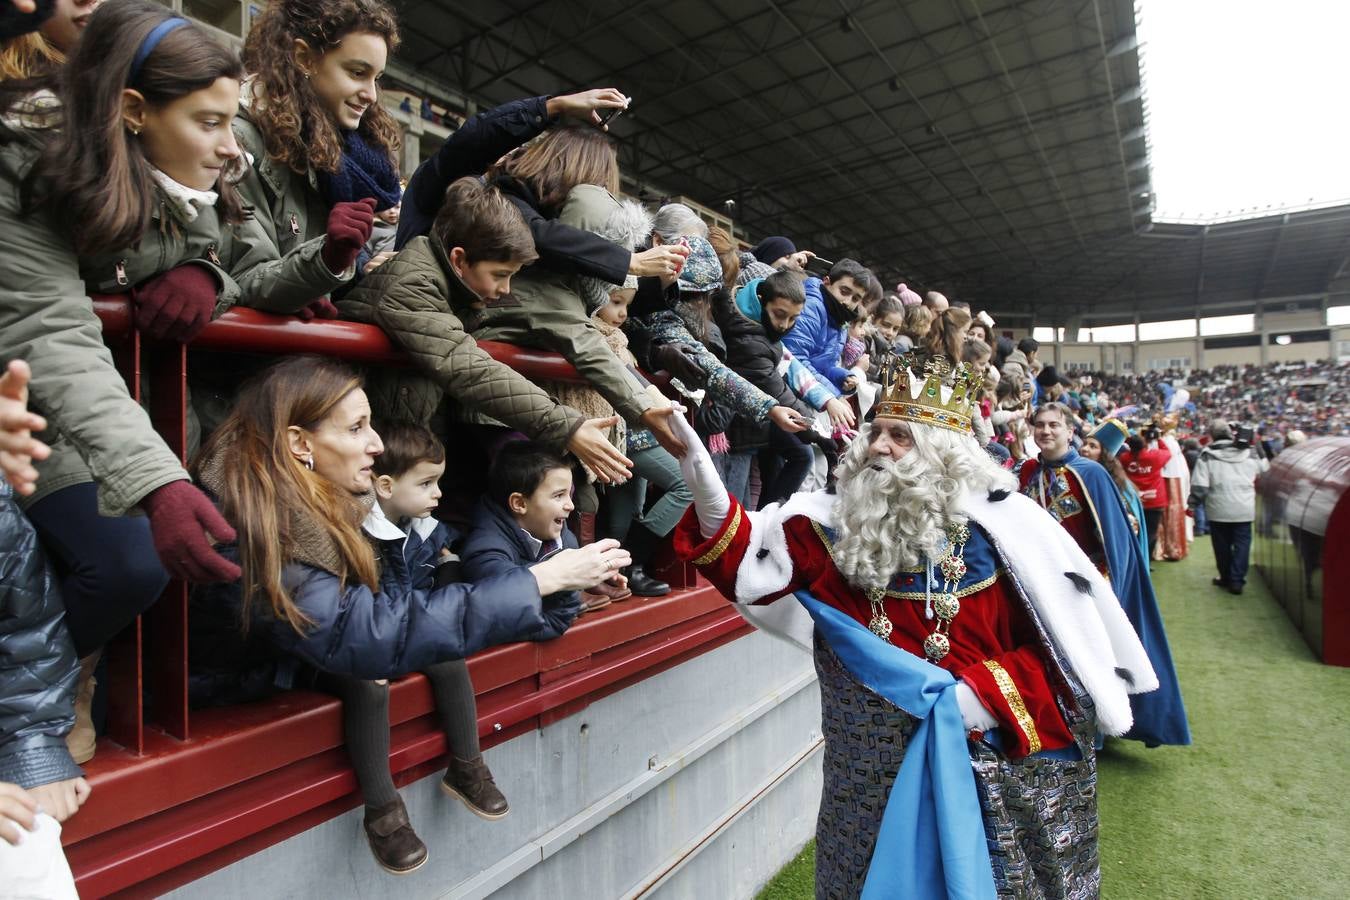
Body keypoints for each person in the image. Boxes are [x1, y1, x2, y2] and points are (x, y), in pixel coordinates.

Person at [670, 354, 1157, 897]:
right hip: (867, 775)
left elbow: (1066, 665)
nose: (878, 447)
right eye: (875, 431)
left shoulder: (1008, 534)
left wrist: (982, 694)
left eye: (899, 436)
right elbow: (749, 564)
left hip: (983, 762)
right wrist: (706, 488)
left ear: (942, 455)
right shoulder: (828, 528)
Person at [2, 0, 256, 762]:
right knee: (126, 560)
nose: (228, 147)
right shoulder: (26, 158)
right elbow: (48, 329)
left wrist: (206, 273)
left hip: (85, 406)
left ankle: (51, 685)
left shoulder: (165, 166)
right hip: (25, 403)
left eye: (231, 120)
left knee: (149, 560)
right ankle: (40, 700)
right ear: (135, 110)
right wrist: (156, 483)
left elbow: (246, 250)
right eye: (209, 122)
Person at [337, 176, 633, 485]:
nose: (506, 289)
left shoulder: (458, 289)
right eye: (500, 275)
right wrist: (566, 427)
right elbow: (469, 368)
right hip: (358, 462)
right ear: (459, 259)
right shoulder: (413, 284)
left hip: (389, 454)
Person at [1019, 402, 1190, 747]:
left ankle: (1094, 730)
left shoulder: (1091, 473)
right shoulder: (1027, 473)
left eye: (1054, 425)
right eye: (1040, 425)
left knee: (1092, 657)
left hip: (1087, 584)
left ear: (1070, 431)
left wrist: (1107, 583)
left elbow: (1113, 540)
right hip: (1038, 580)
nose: (1046, 431)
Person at [1189, 423, 1268, 595]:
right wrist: (1257, 445)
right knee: (1242, 545)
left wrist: (1192, 505)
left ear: (1212, 435)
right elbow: (1265, 470)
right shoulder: (1250, 452)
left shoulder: (1207, 455)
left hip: (1218, 508)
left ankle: (1226, 577)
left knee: (1221, 546)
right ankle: (1237, 580)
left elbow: (1200, 486)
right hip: (1244, 507)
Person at [1080, 418, 1150, 569]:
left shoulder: (1118, 487)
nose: (1085, 449)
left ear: (1104, 454)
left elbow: (1128, 527)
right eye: (1085, 444)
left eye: (1093, 446)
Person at [1119, 427, 1173, 559]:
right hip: (1155, 500)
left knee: (1134, 531)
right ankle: (1146, 559)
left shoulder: (1124, 458)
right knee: (1151, 532)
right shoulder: (1155, 456)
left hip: (1134, 500)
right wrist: (1158, 438)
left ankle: (1135, 558)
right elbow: (1168, 452)